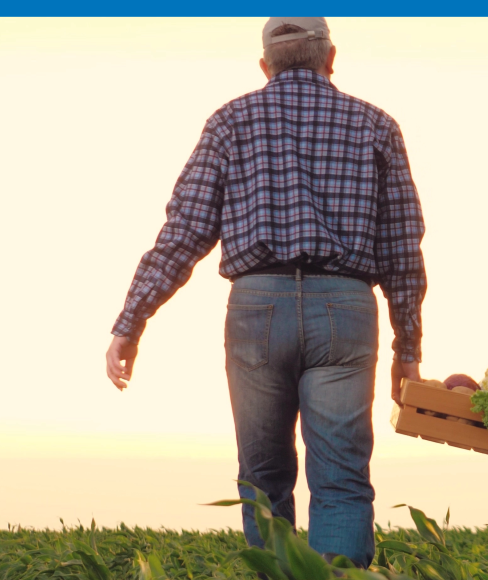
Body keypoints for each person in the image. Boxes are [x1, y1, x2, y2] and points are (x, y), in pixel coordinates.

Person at [103, 17, 426, 568]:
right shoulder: (377, 125)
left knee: (263, 476)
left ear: (264, 66)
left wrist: (131, 322)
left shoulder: (230, 122)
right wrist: (408, 350)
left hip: (256, 307)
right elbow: (402, 243)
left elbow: (183, 234)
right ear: (331, 58)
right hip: (345, 307)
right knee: (343, 478)